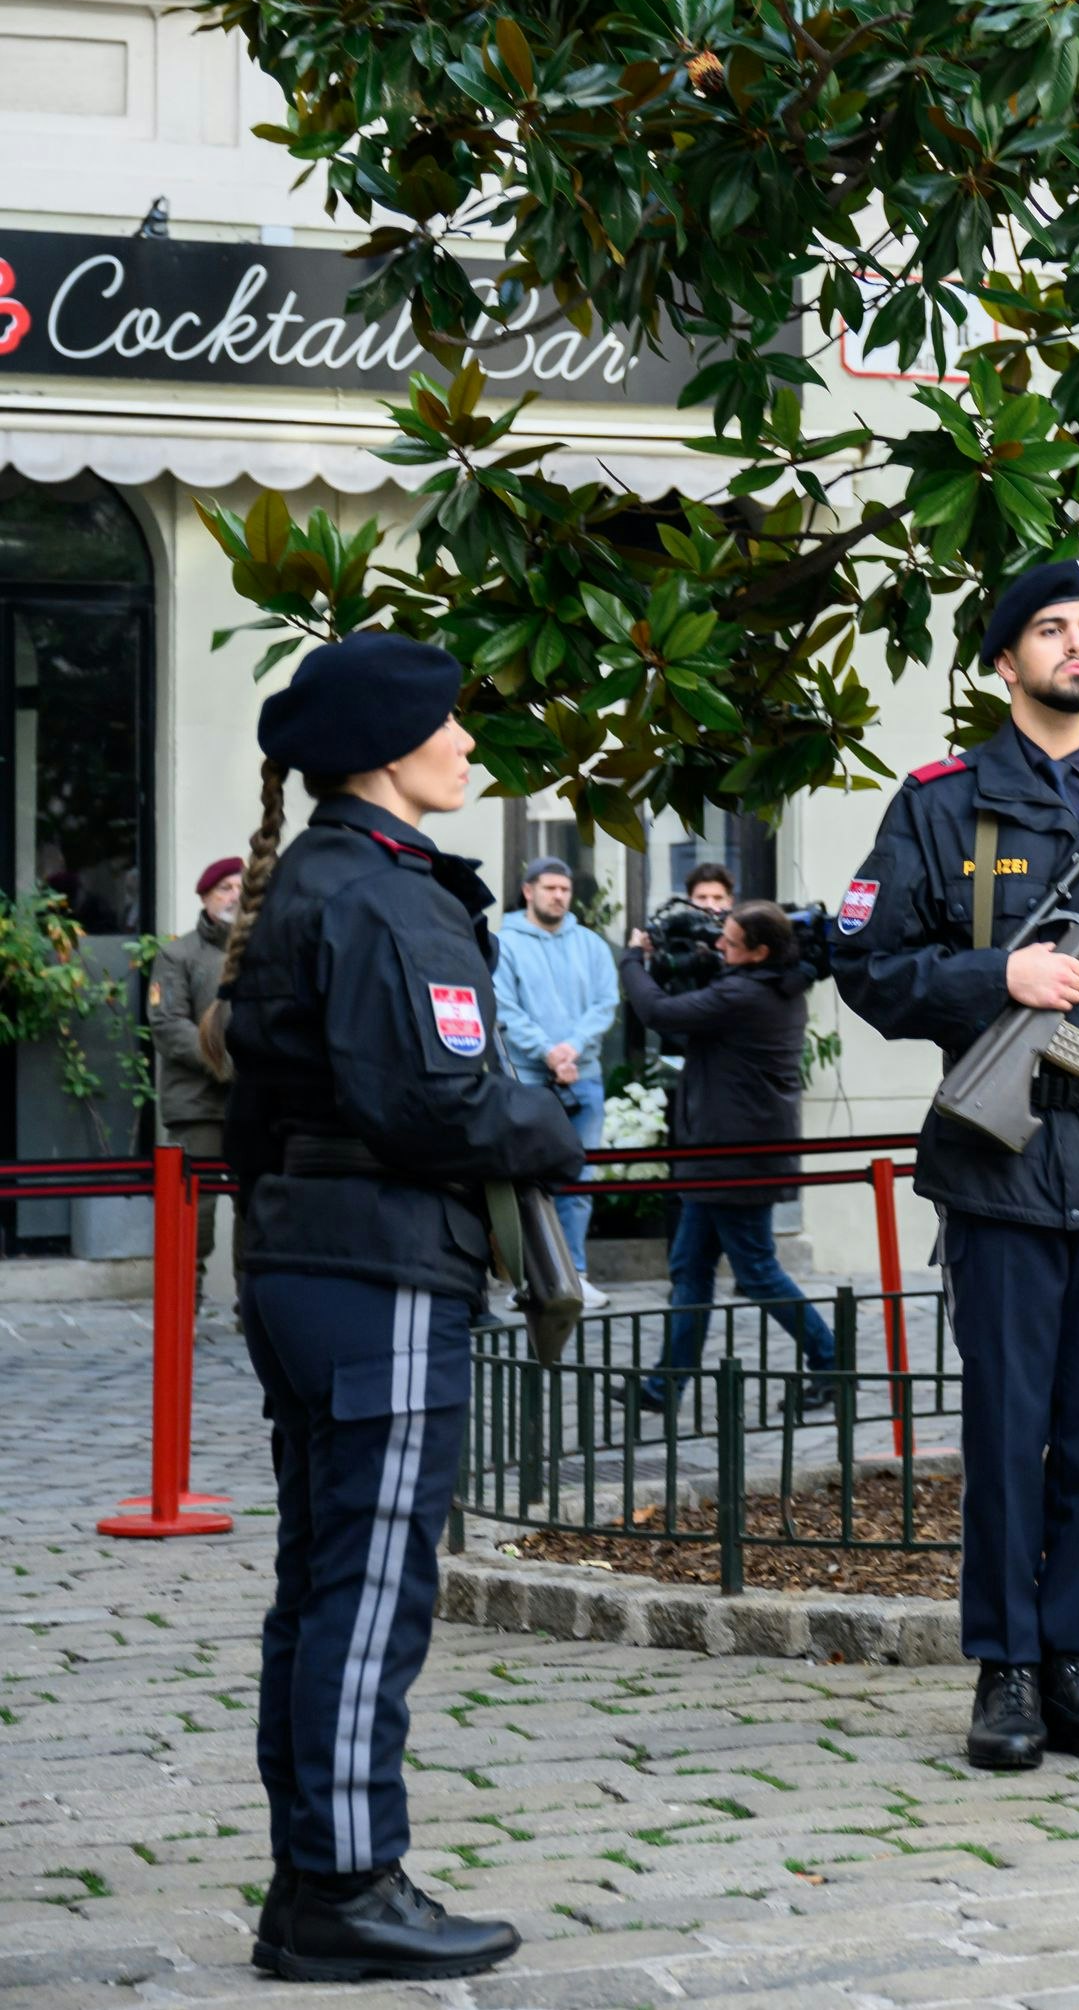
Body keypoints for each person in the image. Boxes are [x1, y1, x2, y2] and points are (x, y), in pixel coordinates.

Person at [220, 631, 583, 1980]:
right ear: (388, 745)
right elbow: (438, 1098)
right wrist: (548, 1123)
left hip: (310, 1254)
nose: (470, 744)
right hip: (378, 1264)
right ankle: (347, 1886)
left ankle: (312, 1877)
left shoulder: (321, 877)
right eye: (452, 722)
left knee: (321, 1589)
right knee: (373, 1589)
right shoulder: (386, 896)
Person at [830, 560, 1079, 1772]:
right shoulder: (942, 803)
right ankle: (1003, 1668)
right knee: (1009, 1427)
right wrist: (993, 978)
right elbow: (868, 967)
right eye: (1051, 630)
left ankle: (1074, 1661)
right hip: (1002, 1159)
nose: (1078, 647)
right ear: (1005, 663)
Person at [621, 901, 840, 1416]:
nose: (719, 945)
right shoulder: (772, 983)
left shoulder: (746, 994)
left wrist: (632, 960)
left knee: (758, 1270)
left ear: (760, 951)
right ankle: (663, 1387)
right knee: (690, 1268)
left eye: (730, 941)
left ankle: (833, 1365)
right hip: (721, 1154)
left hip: (736, 1157)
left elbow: (659, 1013)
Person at [488, 854, 616, 1278]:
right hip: (526, 1081)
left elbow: (605, 1005)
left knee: (579, 1185)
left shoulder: (592, 945)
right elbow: (503, 1007)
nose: (559, 897)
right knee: (528, 1181)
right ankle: (534, 1277)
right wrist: (548, 1053)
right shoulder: (504, 944)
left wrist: (571, 1050)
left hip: (584, 1078)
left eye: (565, 890)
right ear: (529, 891)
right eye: (550, 888)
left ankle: (573, 1275)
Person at [150, 855, 244, 1288]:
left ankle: (255, 1313)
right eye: (224, 888)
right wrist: (224, 1066)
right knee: (195, 1215)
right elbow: (169, 1026)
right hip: (198, 1105)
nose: (234, 896)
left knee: (258, 1211)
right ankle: (183, 1309)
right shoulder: (177, 954)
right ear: (205, 896)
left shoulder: (265, 950)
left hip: (254, 1103)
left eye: (241, 887)